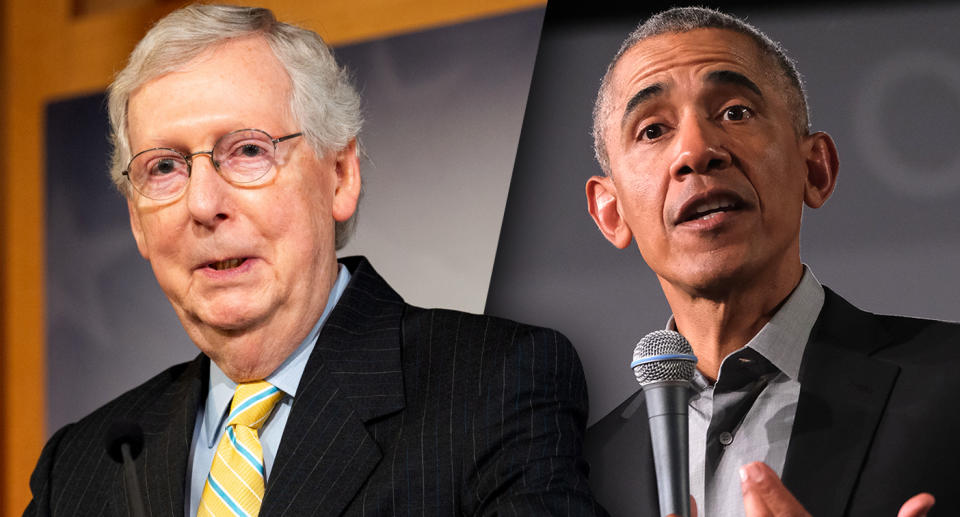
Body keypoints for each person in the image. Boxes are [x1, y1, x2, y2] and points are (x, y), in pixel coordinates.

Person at [24, 5, 604, 516]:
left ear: (339, 175)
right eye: (165, 168)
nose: (203, 204)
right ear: (136, 220)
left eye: (248, 151)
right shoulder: (79, 466)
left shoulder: (493, 387)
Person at [582, 6, 960, 517]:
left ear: (815, 170)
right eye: (652, 130)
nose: (696, 151)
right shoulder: (583, 470)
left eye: (735, 112)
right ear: (611, 212)